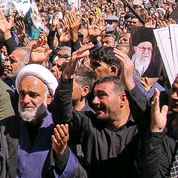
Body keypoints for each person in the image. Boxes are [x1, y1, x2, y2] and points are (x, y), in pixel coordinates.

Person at [53, 44, 149, 177]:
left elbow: (151, 123)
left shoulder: (137, 129)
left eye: (102, 96)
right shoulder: (90, 123)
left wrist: (131, 85)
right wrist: (67, 77)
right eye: (95, 95)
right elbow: (62, 117)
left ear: (122, 99)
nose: (94, 101)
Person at [0, 64, 82, 177]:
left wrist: (61, 153)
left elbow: (75, 173)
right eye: (22, 94)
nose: (26, 100)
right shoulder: (7, 127)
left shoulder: (58, 129)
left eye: (33, 95)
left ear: (48, 98)